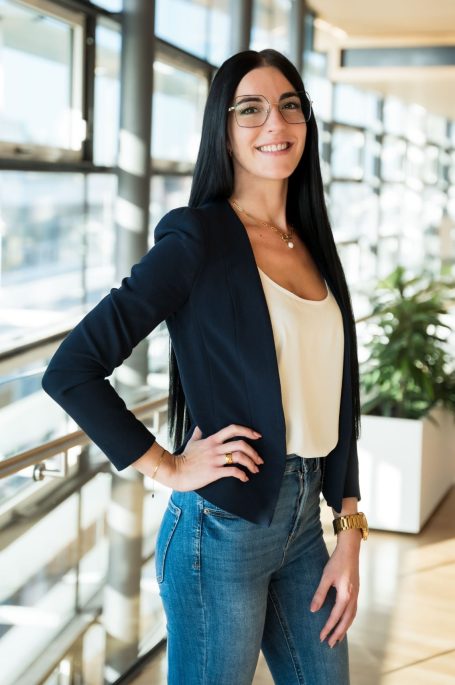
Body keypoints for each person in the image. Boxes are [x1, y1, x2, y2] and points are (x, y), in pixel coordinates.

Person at [42, 48, 369, 685]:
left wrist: (349, 524)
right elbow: (72, 368)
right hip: (219, 533)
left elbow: (337, 396)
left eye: (290, 106)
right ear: (222, 129)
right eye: (251, 110)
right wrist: (167, 465)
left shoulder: (311, 242)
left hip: (305, 526)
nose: (275, 124)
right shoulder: (198, 237)